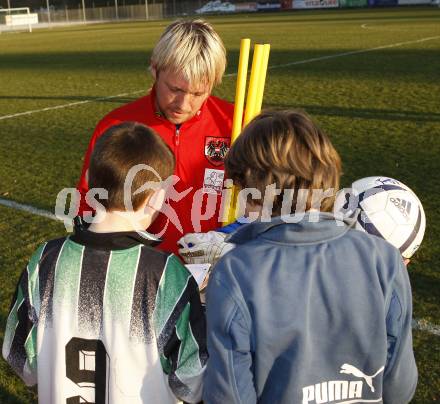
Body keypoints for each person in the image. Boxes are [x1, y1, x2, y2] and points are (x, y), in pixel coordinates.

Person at [202, 111, 417, 404]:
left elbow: (230, 396)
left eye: (243, 189)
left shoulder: (237, 271)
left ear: (259, 189)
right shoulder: (385, 259)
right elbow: (399, 387)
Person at [3, 122, 207, 404]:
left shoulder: (45, 260)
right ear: (157, 198)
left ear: (89, 179)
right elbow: (192, 378)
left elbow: (19, 355)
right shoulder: (166, 275)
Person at [77, 19, 234, 254]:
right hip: (142, 273)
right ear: (155, 68)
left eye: (198, 93)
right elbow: (88, 203)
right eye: (175, 89)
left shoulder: (235, 123)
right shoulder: (118, 127)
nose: (184, 104)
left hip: (215, 271)